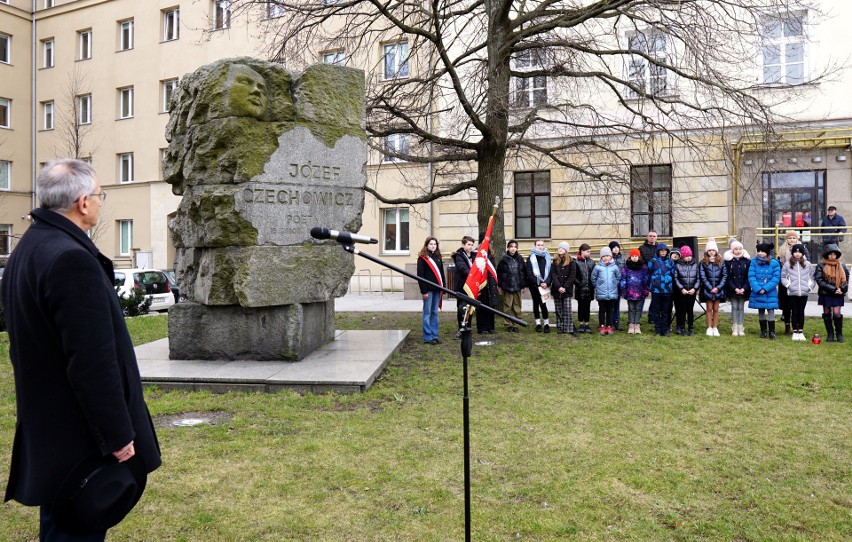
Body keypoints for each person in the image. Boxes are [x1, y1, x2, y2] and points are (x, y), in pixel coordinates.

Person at [0, 159, 161, 540]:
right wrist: (118, 436)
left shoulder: (29, 247)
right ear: (83, 202)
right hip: (81, 436)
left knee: (60, 521)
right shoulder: (71, 258)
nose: (101, 203)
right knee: (75, 527)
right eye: (101, 196)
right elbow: (92, 362)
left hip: (50, 427)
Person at [814, 244, 849, 342]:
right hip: (826, 293)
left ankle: (839, 334)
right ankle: (830, 334)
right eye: (830, 254)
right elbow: (819, 280)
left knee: (837, 313)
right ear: (826, 255)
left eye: (834, 254)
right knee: (827, 312)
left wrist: (842, 289)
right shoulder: (821, 265)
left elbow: (846, 279)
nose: (832, 256)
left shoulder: (842, 265)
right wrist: (833, 289)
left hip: (838, 293)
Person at [776, 230, 809, 335]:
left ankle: (798, 327)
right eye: (790, 238)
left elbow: (806, 263)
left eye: (794, 238)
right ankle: (787, 325)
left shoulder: (803, 249)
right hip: (786, 280)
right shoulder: (782, 250)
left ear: (797, 239)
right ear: (787, 239)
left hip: (798, 281)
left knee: (796, 306)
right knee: (786, 305)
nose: (792, 240)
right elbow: (780, 264)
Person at [780, 243, 814, 341]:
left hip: (804, 292)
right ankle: (795, 331)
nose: (797, 254)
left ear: (803, 253)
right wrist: (788, 285)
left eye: (799, 252)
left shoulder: (808, 265)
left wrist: (809, 287)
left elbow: (812, 277)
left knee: (801, 312)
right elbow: (783, 277)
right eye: (795, 252)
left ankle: (801, 331)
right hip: (792, 292)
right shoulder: (787, 264)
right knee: (794, 312)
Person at [748, 242, 781, 339]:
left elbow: (776, 278)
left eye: (762, 251)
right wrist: (758, 288)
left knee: (771, 310)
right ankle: (763, 331)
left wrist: (765, 288)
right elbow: (751, 276)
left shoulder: (774, 263)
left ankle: (772, 331)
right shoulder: (753, 262)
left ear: (767, 252)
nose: (760, 253)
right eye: (758, 251)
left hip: (770, 292)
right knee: (761, 310)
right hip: (758, 291)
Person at [417, 237, 445, 345]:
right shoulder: (422, 258)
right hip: (428, 290)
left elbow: (441, 274)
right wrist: (423, 291)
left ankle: (434, 335)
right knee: (427, 313)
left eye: (435, 244)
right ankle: (427, 337)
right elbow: (420, 275)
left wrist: (444, 287)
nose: (433, 246)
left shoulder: (438, 257)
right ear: (426, 245)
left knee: (435, 312)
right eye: (431, 244)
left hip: (437, 289)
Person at [699, 238, 727, 337]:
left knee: (716, 309)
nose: (711, 252)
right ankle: (709, 327)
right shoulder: (703, 262)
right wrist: (710, 287)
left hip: (718, 290)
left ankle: (715, 327)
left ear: (716, 251)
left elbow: (724, 276)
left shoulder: (721, 262)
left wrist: (718, 288)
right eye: (709, 250)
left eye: (713, 250)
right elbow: (702, 276)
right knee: (709, 308)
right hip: (708, 290)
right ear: (707, 251)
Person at [497, 240, 526, 333]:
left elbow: (523, 273)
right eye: (511, 246)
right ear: (508, 248)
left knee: (517, 305)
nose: (513, 248)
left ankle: (516, 323)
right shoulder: (503, 259)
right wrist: (500, 286)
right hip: (507, 286)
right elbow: (500, 273)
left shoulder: (520, 258)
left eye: (515, 247)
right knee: (508, 305)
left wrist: (523, 285)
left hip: (517, 286)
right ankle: (508, 324)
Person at [591, 246, 621, 335]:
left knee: (610, 310)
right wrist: (597, 286)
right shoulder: (597, 267)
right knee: (602, 310)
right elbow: (593, 278)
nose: (605, 258)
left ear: (611, 256)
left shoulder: (614, 267)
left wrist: (615, 284)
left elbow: (618, 277)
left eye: (607, 255)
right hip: (601, 293)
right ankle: (602, 325)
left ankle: (609, 326)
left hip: (612, 293)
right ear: (601, 258)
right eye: (603, 256)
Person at [550, 242, 578, 336]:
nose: (560, 250)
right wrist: (559, 287)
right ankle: (560, 327)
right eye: (559, 248)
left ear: (566, 250)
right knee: (558, 309)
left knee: (567, 309)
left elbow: (572, 275)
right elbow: (553, 275)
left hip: (567, 289)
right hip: (557, 289)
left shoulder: (572, 261)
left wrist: (565, 287)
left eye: (562, 248)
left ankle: (568, 327)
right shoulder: (554, 261)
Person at [620, 248, 650, 334]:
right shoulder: (626, 268)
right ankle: (631, 324)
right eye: (632, 256)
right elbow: (623, 280)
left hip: (640, 292)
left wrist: (646, 290)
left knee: (638, 308)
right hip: (630, 292)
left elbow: (646, 280)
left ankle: (637, 324)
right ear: (630, 257)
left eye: (636, 256)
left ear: (639, 257)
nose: (634, 257)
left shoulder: (643, 268)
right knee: (631, 308)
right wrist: (624, 291)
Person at [474, 232, 499, 335]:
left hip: (491, 284)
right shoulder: (477, 254)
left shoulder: (491, 255)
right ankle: (482, 327)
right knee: (481, 306)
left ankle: (490, 326)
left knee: (491, 306)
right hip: (481, 284)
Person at [725, 240, 751, 336]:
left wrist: (744, 288)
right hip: (732, 289)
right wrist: (734, 288)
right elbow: (727, 277)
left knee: (741, 307)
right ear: (732, 250)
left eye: (740, 249)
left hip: (743, 289)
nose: (738, 251)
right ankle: (735, 326)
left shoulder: (747, 261)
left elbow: (749, 277)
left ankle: (741, 326)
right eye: (736, 249)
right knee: (734, 307)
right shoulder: (728, 262)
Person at [647, 242, 675, 336]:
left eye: (665, 251)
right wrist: (650, 284)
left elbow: (673, 274)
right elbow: (649, 273)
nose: (663, 252)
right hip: (656, 290)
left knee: (666, 310)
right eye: (661, 250)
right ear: (658, 251)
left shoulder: (670, 262)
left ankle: (665, 329)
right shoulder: (653, 261)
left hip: (667, 290)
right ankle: (658, 329)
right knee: (656, 310)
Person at [526, 239, 553, 333]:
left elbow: (550, 273)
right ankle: (538, 324)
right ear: (534, 246)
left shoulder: (547, 257)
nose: (541, 247)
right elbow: (529, 273)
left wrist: (547, 283)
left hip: (545, 285)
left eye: (542, 245)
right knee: (536, 303)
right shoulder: (531, 258)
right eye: (538, 245)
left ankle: (546, 324)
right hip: (534, 285)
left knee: (543, 303)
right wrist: (538, 283)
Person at [452, 235, 475, 339]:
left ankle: (468, 328)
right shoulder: (459, 255)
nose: (470, 247)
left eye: (472, 245)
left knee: (470, 308)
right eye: (468, 244)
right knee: (461, 308)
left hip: (472, 287)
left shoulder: (475, 255)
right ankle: (461, 330)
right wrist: (473, 275)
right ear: (463, 244)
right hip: (462, 286)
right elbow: (463, 268)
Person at [673, 245, 700, 336]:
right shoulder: (677, 266)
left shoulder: (696, 265)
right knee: (682, 310)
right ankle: (682, 327)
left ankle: (691, 328)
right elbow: (676, 278)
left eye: (689, 256)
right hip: (682, 293)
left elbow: (698, 279)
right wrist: (681, 289)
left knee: (690, 310)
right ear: (682, 257)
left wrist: (695, 288)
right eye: (686, 256)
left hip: (692, 292)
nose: (688, 258)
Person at [573, 243, 596, 333]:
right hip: (580, 289)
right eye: (588, 251)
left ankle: (587, 323)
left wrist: (592, 284)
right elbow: (573, 276)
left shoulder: (591, 262)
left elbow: (594, 275)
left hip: (589, 289)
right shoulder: (576, 262)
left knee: (587, 306)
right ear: (582, 251)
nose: (589, 253)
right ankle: (581, 323)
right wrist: (580, 284)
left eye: (590, 251)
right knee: (581, 306)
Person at [638, 230, 659, 325]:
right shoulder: (641, 248)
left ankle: (652, 317)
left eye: (654, 236)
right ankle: (637, 318)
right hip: (645, 275)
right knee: (641, 297)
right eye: (650, 236)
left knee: (655, 298)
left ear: (656, 237)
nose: (652, 237)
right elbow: (640, 261)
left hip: (656, 276)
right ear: (647, 237)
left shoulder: (660, 248)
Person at [609, 241, 625, 330]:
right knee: (611, 304)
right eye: (614, 247)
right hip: (610, 285)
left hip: (619, 284)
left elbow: (625, 271)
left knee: (617, 304)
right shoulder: (608, 259)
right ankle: (610, 321)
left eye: (617, 247)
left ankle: (616, 321)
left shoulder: (622, 259)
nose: (616, 249)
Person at [669, 247, 682, 331]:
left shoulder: (681, 265)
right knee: (668, 308)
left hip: (678, 289)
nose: (675, 255)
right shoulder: (667, 264)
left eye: (677, 254)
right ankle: (668, 324)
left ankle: (679, 325)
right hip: (669, 289)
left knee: (679, 308)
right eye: (673, 254)